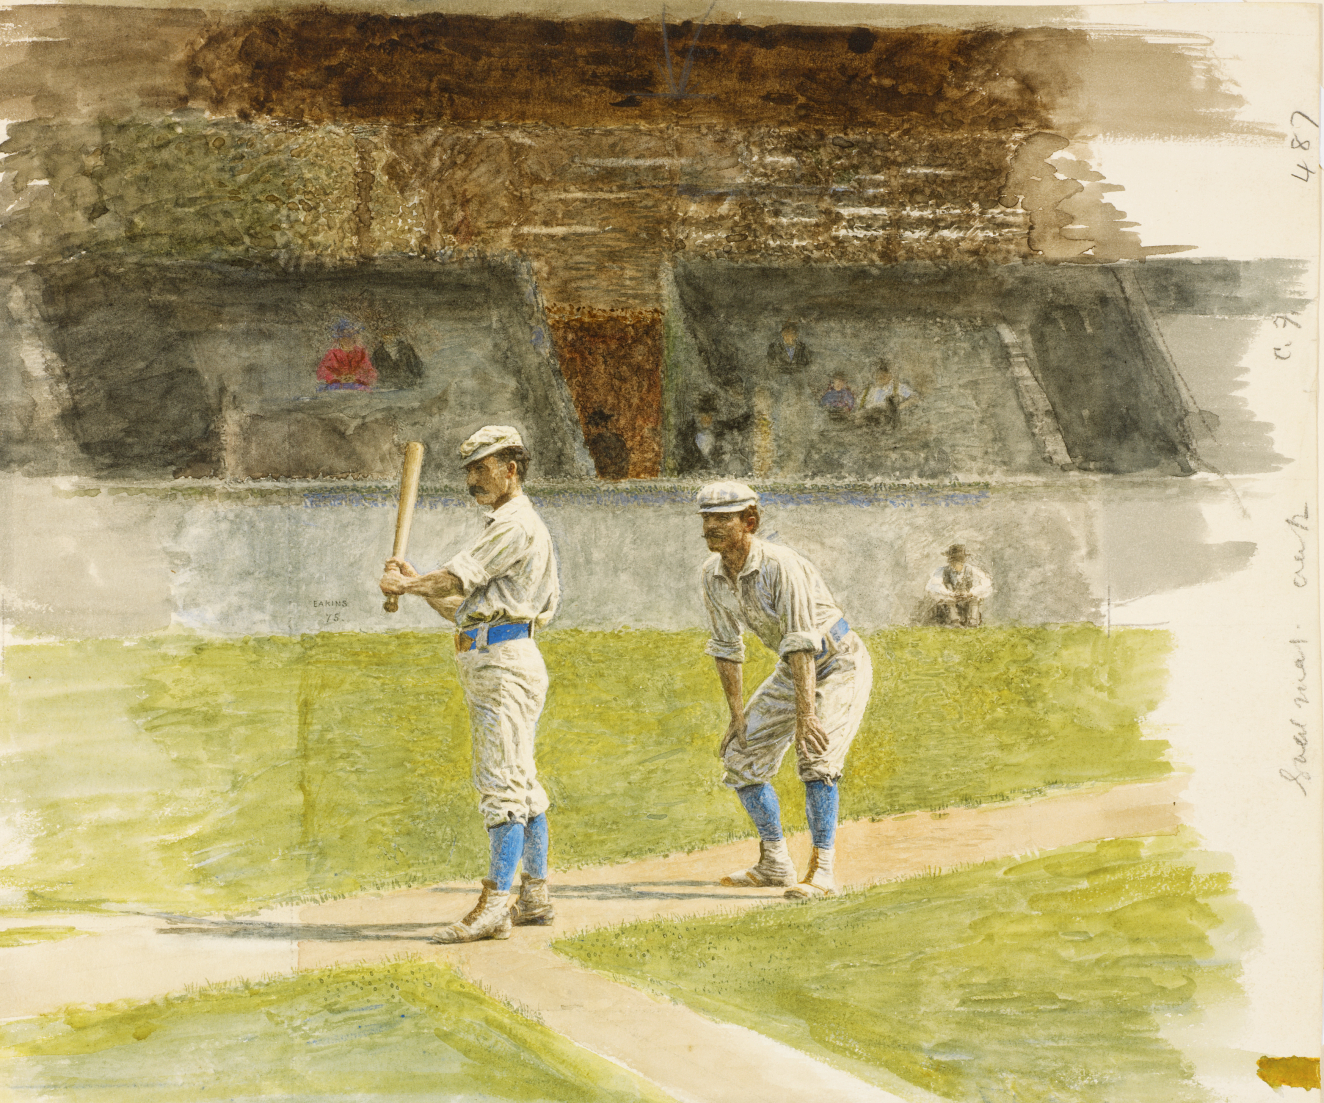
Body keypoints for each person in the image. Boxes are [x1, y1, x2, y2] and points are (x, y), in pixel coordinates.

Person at [379, 426, 559, 943]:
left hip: (503, 663)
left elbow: (458, 580)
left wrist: (406, 583)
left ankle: (495, 906)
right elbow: (466, 610)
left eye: (484, 467)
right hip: (498, 653)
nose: (474, 477)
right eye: (470, 469)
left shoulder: (515, 524)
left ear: (512, 469)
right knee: (520, 780)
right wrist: (416, 587)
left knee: (502, 783)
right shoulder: (511, 523)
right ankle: (536, 895)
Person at [696, 481, 873, 899]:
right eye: (706, 519)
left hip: (838, 661)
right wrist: (737, 716)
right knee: (741, 754)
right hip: (793, 668)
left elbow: (801, 640)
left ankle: (823, 871)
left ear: (750, 521)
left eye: (723, 518)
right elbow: (726, 647)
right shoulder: (712, 575)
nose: (711, 527)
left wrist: (806, 714)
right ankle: (775, 861)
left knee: (816, 756)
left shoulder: (781, 564)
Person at [925, 544, 993, 627]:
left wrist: (971, 593)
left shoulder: (972, 570)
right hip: (950, 603)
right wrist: (949, 593)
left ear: (963, 560)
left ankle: (973, 621)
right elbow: (934, 586)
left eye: (959, 559)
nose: (956, 561)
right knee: (949, 600)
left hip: (967, 602)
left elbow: (986, 583)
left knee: (974, 600)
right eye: (953, 559)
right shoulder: (942, 571)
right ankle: (955, 622)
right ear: (949, 559)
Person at [318, 319, 377, 390]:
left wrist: (355, 377)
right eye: (344, 338)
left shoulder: (361, 353)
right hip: (336, 385)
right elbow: (322, 372)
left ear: (354, 338)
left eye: (350, 337)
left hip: (357, 386)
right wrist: (338, 378)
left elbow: (370, 373)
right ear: (339, 339)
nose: (347, 340)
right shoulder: (332, 354)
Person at [861, 364, 915, 430]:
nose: (880, 376)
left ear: (890, 375)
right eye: (878, 374)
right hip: (869, 423)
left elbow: (914, 398)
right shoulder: (869, 390)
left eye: (884, 374)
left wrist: (899, 407)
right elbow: (860, 408)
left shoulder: (898, 387)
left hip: (889, 424)